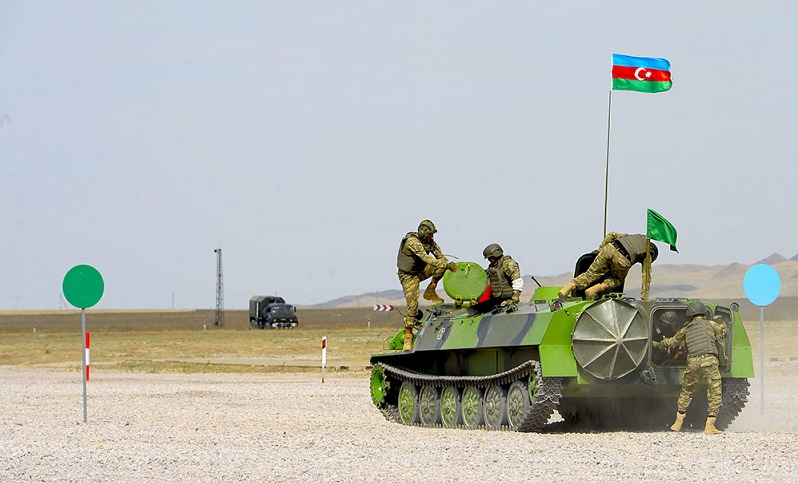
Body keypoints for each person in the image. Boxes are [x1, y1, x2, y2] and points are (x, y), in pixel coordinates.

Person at [653, 301, 727, 434]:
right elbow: (720, 340)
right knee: (714, 392)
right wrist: (722, 359)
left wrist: (661, 343)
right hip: (709, 361)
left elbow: (673, 342)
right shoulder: (711, 324)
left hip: (693, 362)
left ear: (690, 315)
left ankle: (677, 423)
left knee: (686, 392)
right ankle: (710, 425)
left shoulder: (686, 329)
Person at [397, 220, 457, 351]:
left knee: (441, 266)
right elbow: (427, 259)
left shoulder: (430, 243)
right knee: (412, 307)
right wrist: (446, 264)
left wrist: (449, 266)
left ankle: (431, 289)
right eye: (430, 235)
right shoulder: (412, 242)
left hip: (421, 271)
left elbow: (441, 258)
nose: (432, 237)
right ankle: (408, 337)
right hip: (408, 276)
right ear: (424, 233)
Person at [558, 231, 658, 300]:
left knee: (591, 274)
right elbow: (646, 276)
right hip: (622, 259)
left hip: (609, 248)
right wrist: (645, 296)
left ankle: (568, 287)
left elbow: (612, 234)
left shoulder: (634, 237)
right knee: (616, 279)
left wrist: (599, 251)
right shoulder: (649, 251)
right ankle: (594, 289)